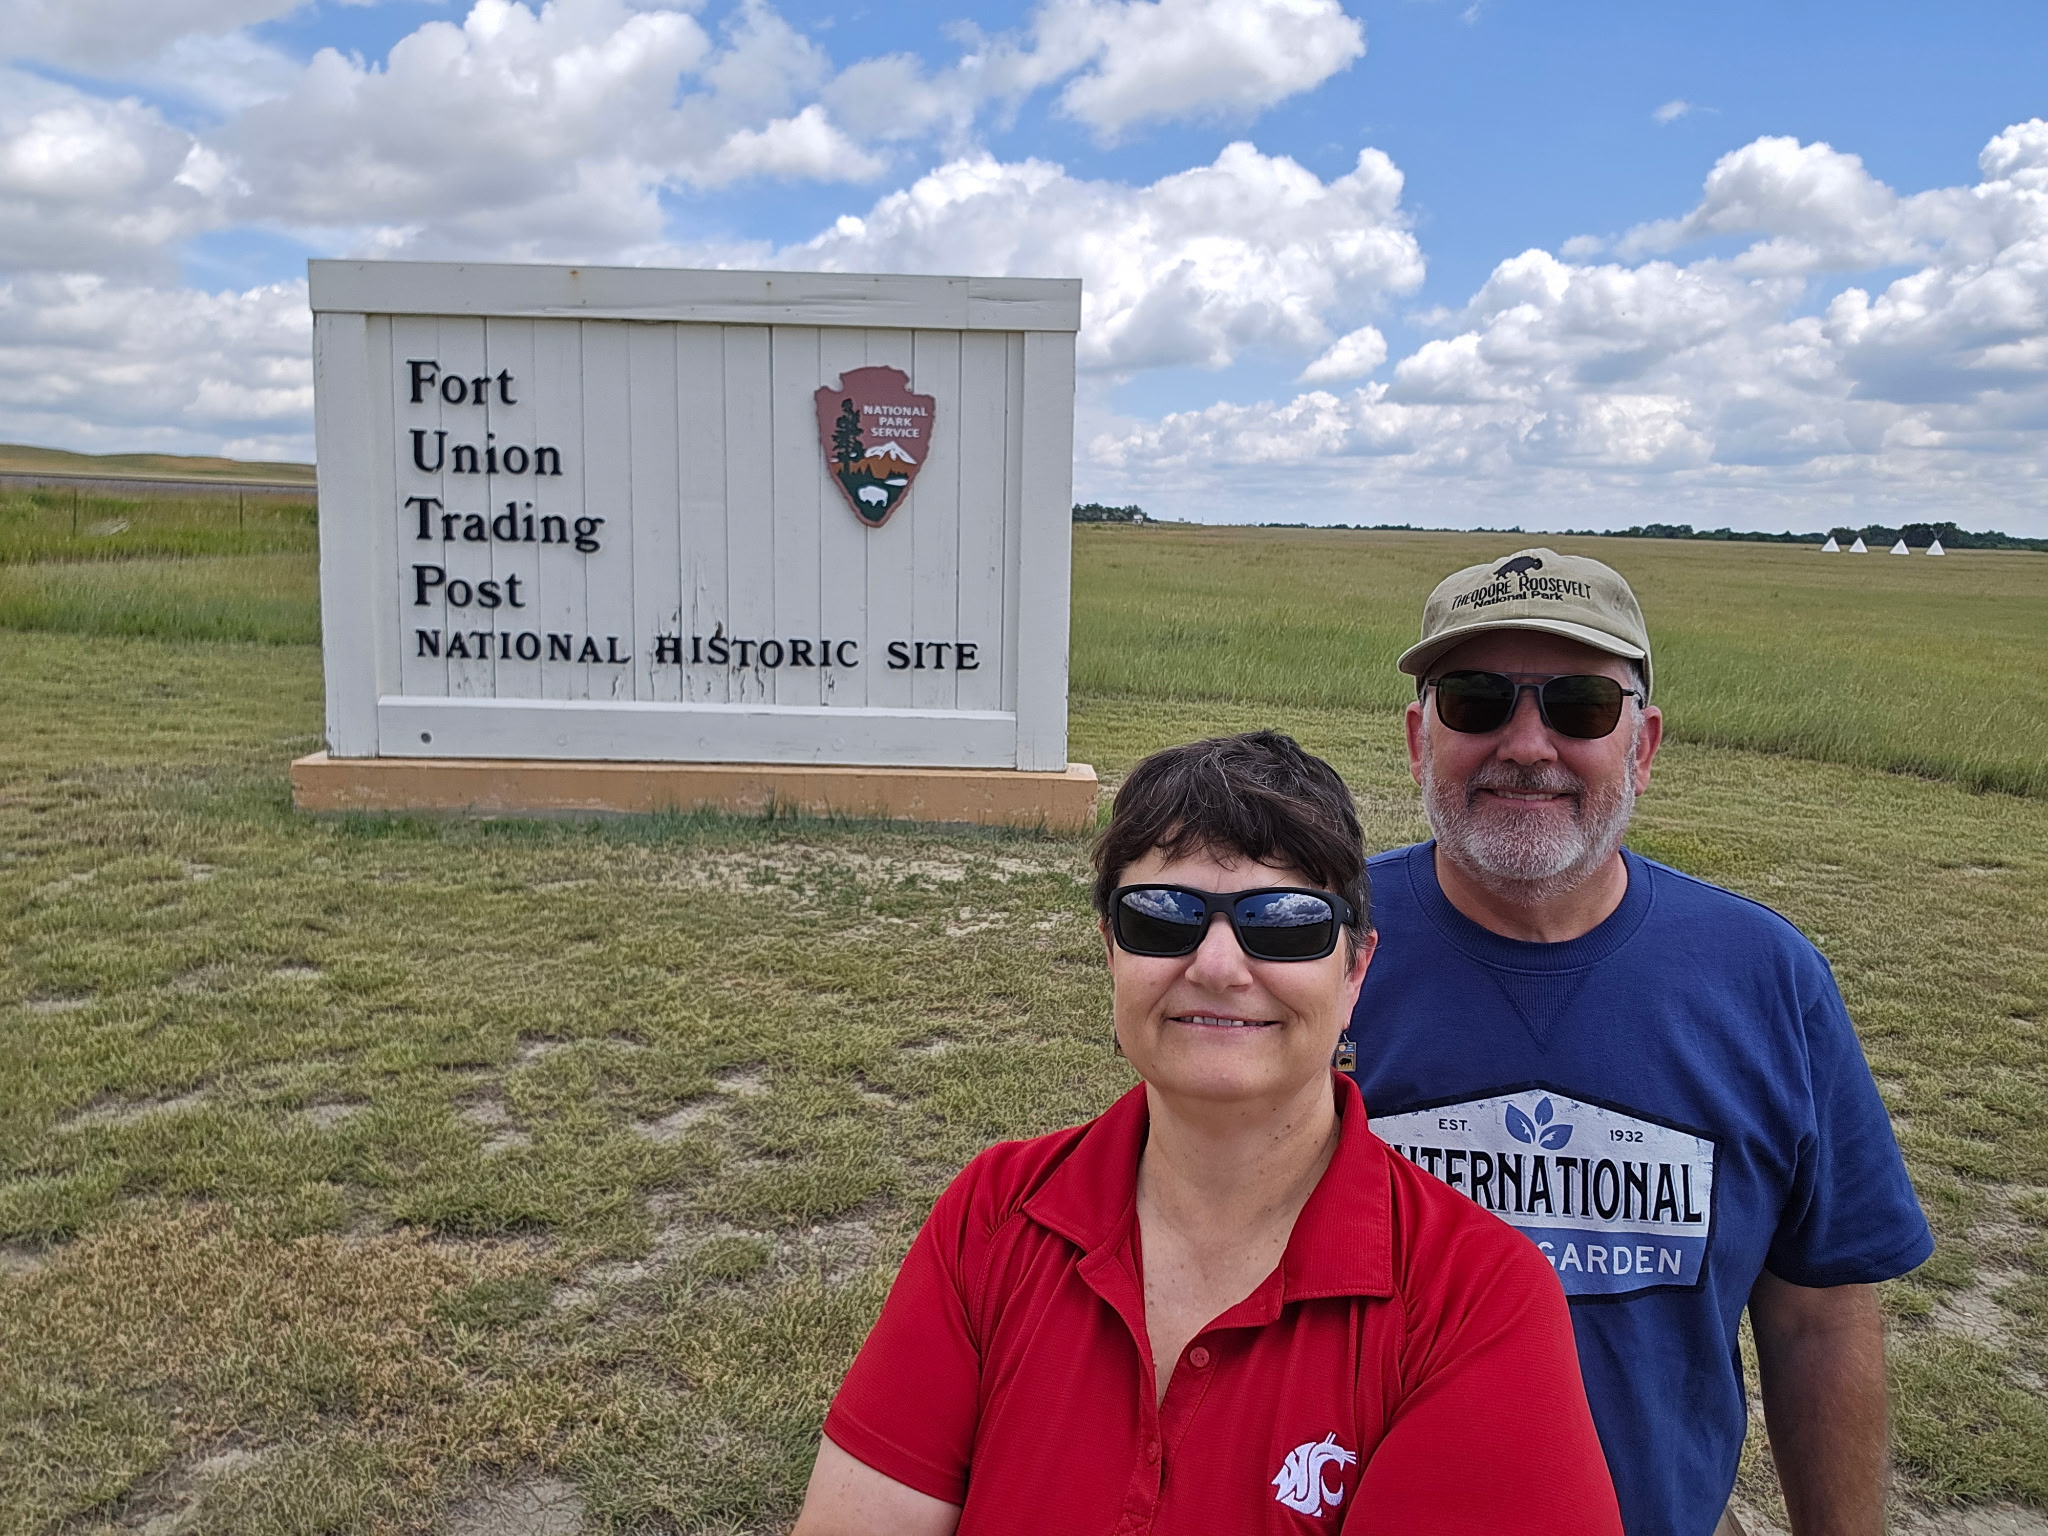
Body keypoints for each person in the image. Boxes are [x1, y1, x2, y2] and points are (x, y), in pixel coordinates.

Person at [794, 731, 1624, 1535]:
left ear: (1354, 973)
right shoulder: (996, 1212)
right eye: (1162, 917)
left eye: (1286, 921)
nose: (1219, 967)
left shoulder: (1474, 1298)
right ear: (1111, 953)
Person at [1347, 548, 1933, 1536]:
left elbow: (1817, 1314)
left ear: (1641, 744)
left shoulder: (1765, 978)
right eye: (1475, 700)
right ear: (1418, 738)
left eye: (1578, 705)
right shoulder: (1301, 950)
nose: (1525, 743)